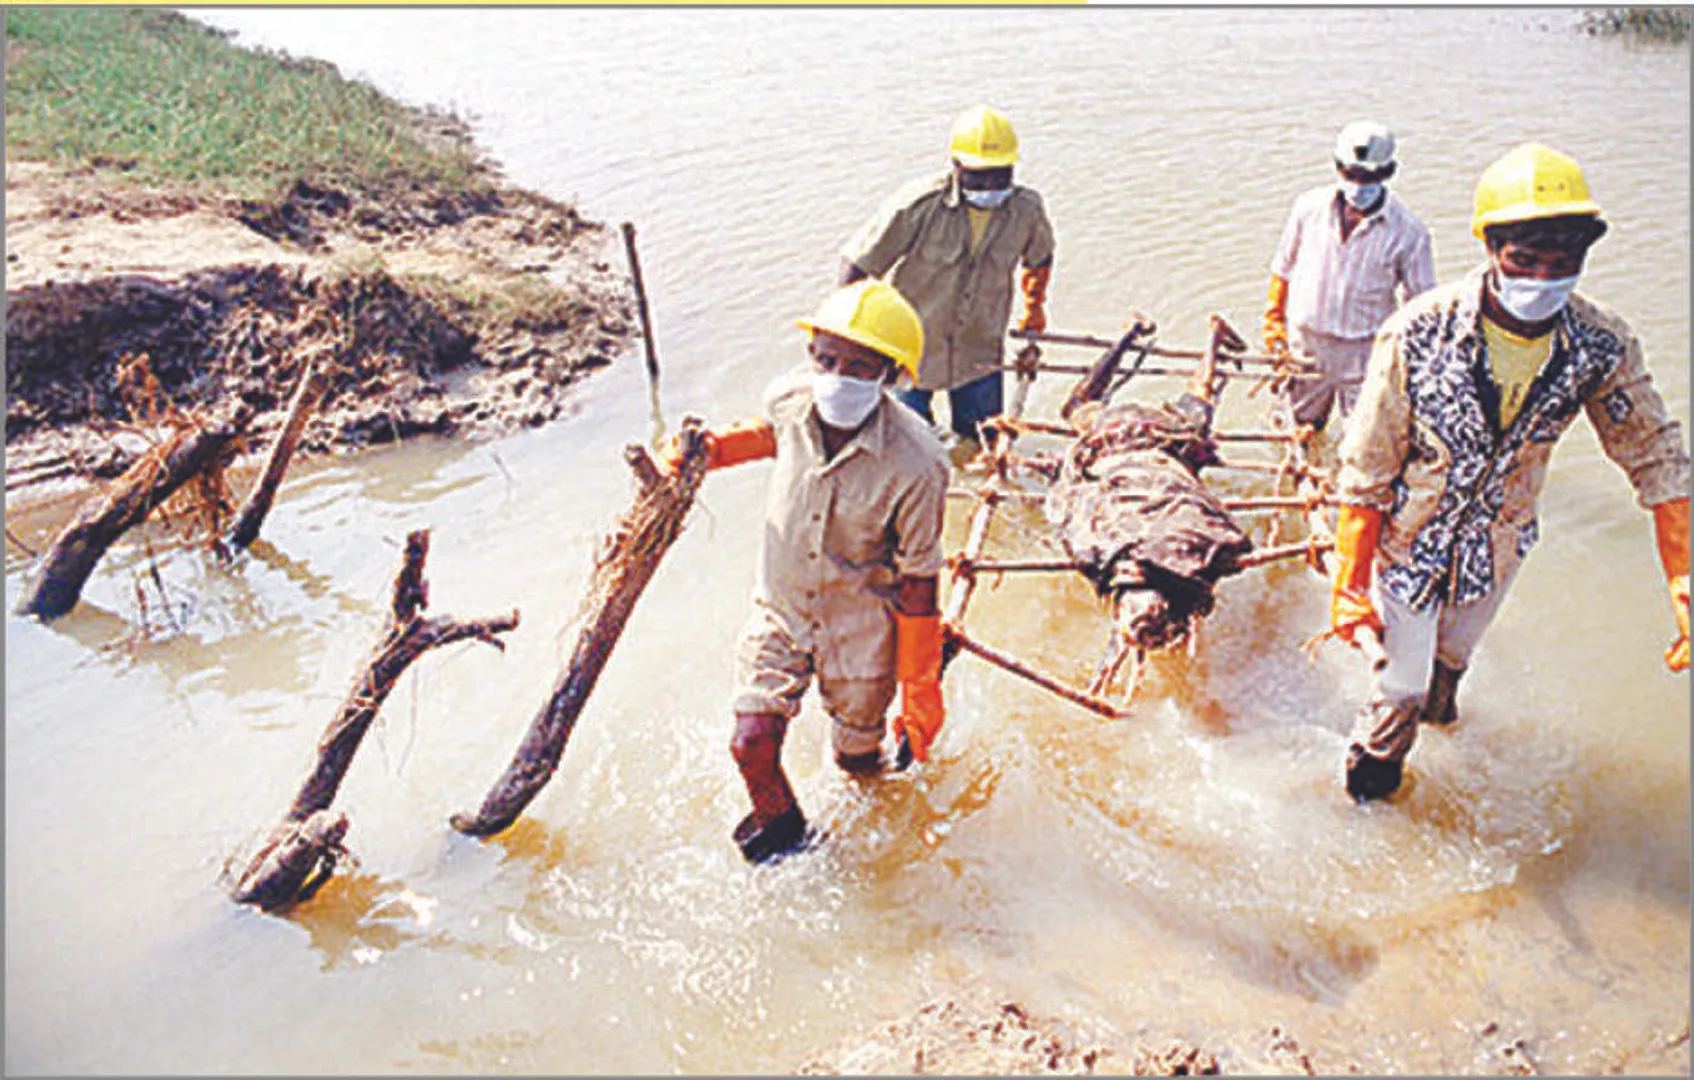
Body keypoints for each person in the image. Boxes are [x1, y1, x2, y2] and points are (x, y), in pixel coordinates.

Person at [1326, 142, 1690, 802]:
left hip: (1497, 548)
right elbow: (1367, 468)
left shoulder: (1600, 344)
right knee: (1396, 692)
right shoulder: (1418, 333)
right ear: (1492, 247)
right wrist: (1349, 586)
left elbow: (1657, 458)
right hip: (1409, 544)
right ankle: (1368, 802)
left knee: (1448, 670)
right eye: (1526, 260)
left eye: (1563, 263)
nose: (1543, 277)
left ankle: (1444, 728)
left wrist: (1683, 575)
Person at [668, 279, 951, 864]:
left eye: (857, 366)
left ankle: (878, 856)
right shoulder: (791, 400)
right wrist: (709, 452)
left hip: (862, 627)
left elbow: (919, 581)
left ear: (891, 375)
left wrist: (920, 688)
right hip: (783, 609)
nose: (834, 376)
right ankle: (794, 847)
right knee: (751, 742)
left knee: (857, 766)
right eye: (824, 358)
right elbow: (768, 435)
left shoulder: (918, 463)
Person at [839, 104, 1056, 445]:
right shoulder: (918, 205)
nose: (991, 184)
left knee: (982, 440)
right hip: (910, 350)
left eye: (1001, 174)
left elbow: (1040, 258)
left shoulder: (1025, 209)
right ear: (956, 165)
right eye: (979, 174)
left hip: (979, 349)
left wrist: (1035, 307)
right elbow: (857, 267)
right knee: (904, 443)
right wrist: (853, 341)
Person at [1263, 120, 1436, 434]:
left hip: (1365, 352)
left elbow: (1421, 307)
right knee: (1295, 430)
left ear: (1389, 173)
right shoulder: (1308, 209)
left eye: (1369, 177)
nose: (1359, 185)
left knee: (1363, 442)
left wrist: (1410, 367)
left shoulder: (1410, 232)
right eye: (1351, 175)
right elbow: (1283, 267)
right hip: (1306, 344)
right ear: (1337, 167)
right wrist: (1273, 319)